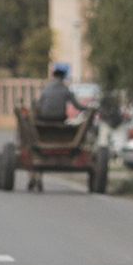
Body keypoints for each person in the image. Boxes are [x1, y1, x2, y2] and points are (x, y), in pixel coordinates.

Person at [29, 62, 89, 191]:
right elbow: (77, 106)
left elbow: (39, 106)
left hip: (43, 120)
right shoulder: (65, 90)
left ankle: (35, 176)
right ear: (63, 78)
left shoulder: (46, 89)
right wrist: (88, 109)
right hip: (60, 119)